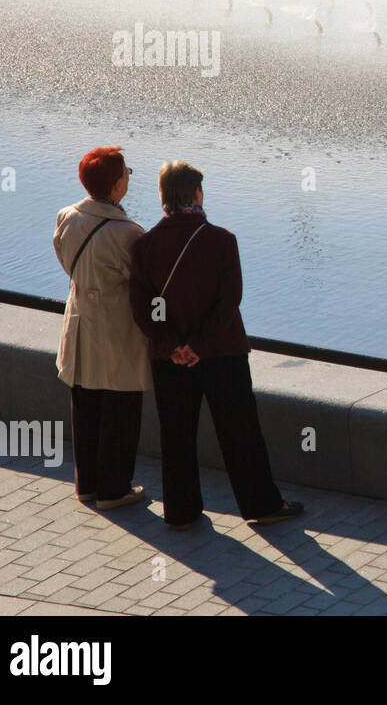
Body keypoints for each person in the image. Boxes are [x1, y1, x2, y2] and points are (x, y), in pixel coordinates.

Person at [128, 160, 302, 530]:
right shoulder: (222, 240)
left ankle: (180, 511)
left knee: (176, 436)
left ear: (162, 196)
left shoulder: (145, 246)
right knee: (240, 432)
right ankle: (261, 505)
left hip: (168, 359)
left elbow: (144, 309)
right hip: (222, 354)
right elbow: (229, 302)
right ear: (197, 194)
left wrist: (175, 345)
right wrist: (199, 346)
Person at [53, 147, 150, 510]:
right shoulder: (129, 232)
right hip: (116, 328)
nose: (128, 178)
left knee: (85, 404)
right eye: (126, 172)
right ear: (115, 186)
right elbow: (141, 283)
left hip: (79, 324)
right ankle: (114, 489)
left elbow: (66, 262)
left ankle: (87, 485)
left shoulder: (67, 216)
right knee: (121, 407)